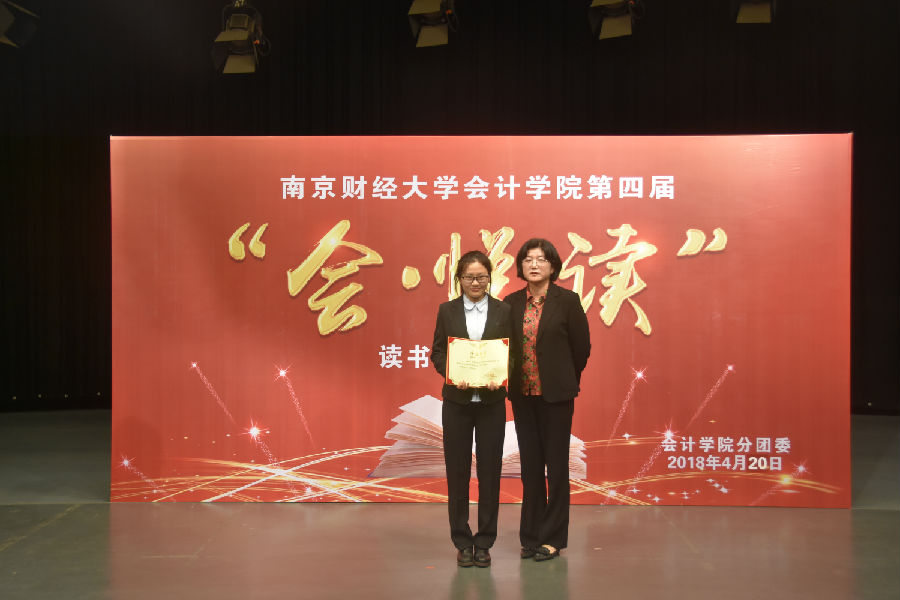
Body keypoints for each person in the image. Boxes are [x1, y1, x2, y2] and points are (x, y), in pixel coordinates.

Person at [503, 238, 591, 562]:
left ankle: (552, 538)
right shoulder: (511, 303)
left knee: (556, 468)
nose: (534, 264)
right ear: (521, 266)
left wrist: (563, 378)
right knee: (530, 468)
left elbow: (581, 348)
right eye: (528, 259)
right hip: (523, 396)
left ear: (553, 266)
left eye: (541, 259)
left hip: (556, 397)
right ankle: (531, 536)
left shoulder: (567, 301)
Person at [430, 250, 512, 568]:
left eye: (481, 277)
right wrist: (452, 373)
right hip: (457, 403)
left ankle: (485, 541)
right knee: (458, 472)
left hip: (492, 403)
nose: (475, 283)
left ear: (489, 278)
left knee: (490, 473)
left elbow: (513, 353)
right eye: (469, 277)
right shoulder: (446, 310)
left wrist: (501, 375)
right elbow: (438, 351)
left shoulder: (504, 310)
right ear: (459, 279)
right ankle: (462, 541)